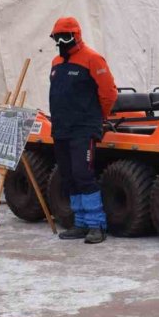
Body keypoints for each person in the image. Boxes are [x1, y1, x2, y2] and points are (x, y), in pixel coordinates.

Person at [49, 16, 118, 244]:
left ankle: (96, 225)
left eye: (64, 36)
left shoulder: (92, 59)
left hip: (83, 128)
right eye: (57, 37)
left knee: (83, 174)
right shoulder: (56, 63)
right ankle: (79, 223)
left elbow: (108, 92)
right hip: (61, 128)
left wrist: (99, 118)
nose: (61, 41)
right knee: (69, 176)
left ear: (75, 36)